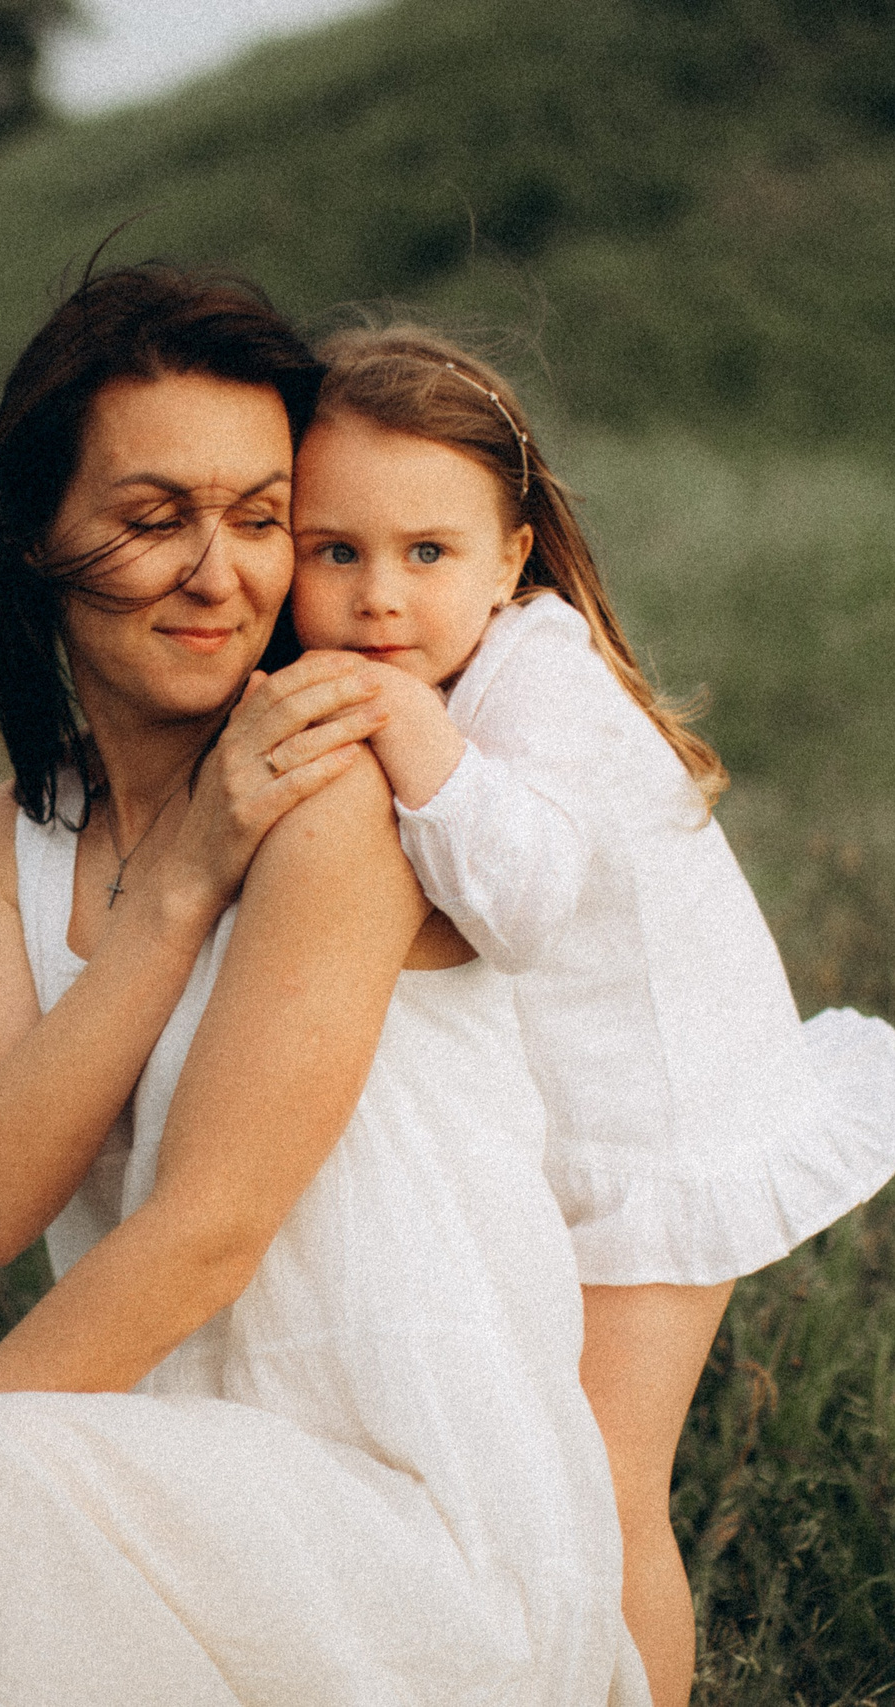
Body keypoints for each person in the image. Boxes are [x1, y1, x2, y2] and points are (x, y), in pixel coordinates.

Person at [0, 267, 648, 1707]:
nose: (220, 572)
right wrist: (183, 878)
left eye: (262, 519)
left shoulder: (342, 787)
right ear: (31, 537)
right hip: (181, 1505)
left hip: (420, 1537)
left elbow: (207, 1232)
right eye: (152, 519)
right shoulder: (15, 834)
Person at [277, 325, 895, 1707]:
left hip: (658, 1143)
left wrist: (401, 725)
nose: (379, 596)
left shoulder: (533, 676)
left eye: (426, 554)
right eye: (336, 552)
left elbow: (526, 898)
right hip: (577, 1132)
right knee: (527, 1480)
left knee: (602, 1490)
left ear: (511, 560)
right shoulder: (451, 665)